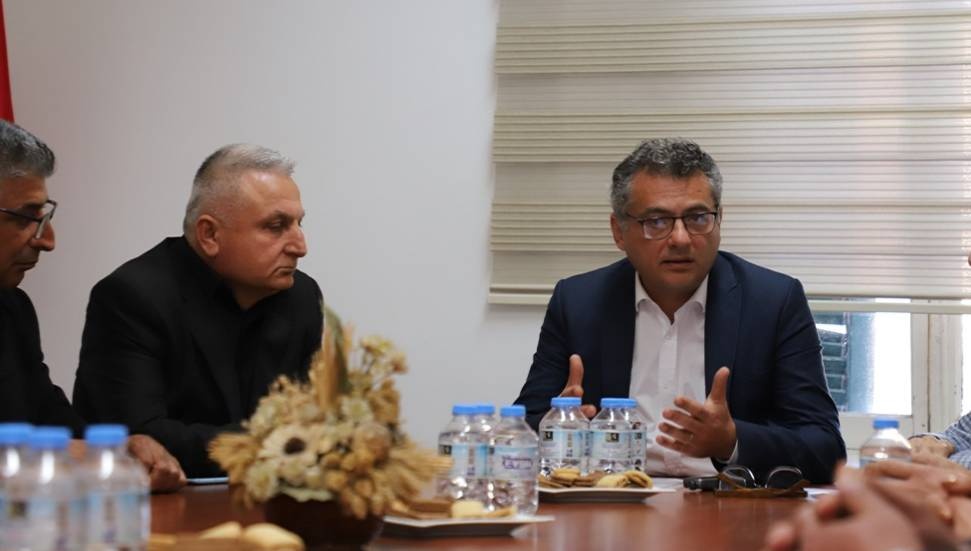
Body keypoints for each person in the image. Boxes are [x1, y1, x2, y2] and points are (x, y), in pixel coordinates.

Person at [514, 138, 845, 482]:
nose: (681, 239)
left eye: (698, 218)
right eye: (657, 221)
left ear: (719, 220)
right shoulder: (578, 302)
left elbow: (825, 449)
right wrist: (560, 426)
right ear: (618, 232)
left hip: (728, 503)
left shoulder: (773, 301)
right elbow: (520, 434)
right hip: (617, 497)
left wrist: (731, 441)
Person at [73, 143, 323, 477]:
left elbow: (311, 421)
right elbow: (139, 441)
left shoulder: (301, 296)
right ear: (209, 235)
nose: (300, 247)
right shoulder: (133, 297)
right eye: (276, 226)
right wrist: (277, 444)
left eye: (298, 224)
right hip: (163, 502)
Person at [0, 119, 184, 491]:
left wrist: (121, 448)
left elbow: (50, 418)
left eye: (45, 216)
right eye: (28, 218)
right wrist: (78, 455)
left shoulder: (12, 308)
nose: (47, 240)